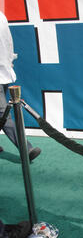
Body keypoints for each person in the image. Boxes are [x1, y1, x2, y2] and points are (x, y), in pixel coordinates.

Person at [0, 10, 41, 161]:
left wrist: (9, 59)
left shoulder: (1, 17)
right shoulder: (1, 16)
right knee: (3, 112)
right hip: (4, 70)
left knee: (2, 113)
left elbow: (7, 41)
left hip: (3, 72)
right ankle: (26, 148)